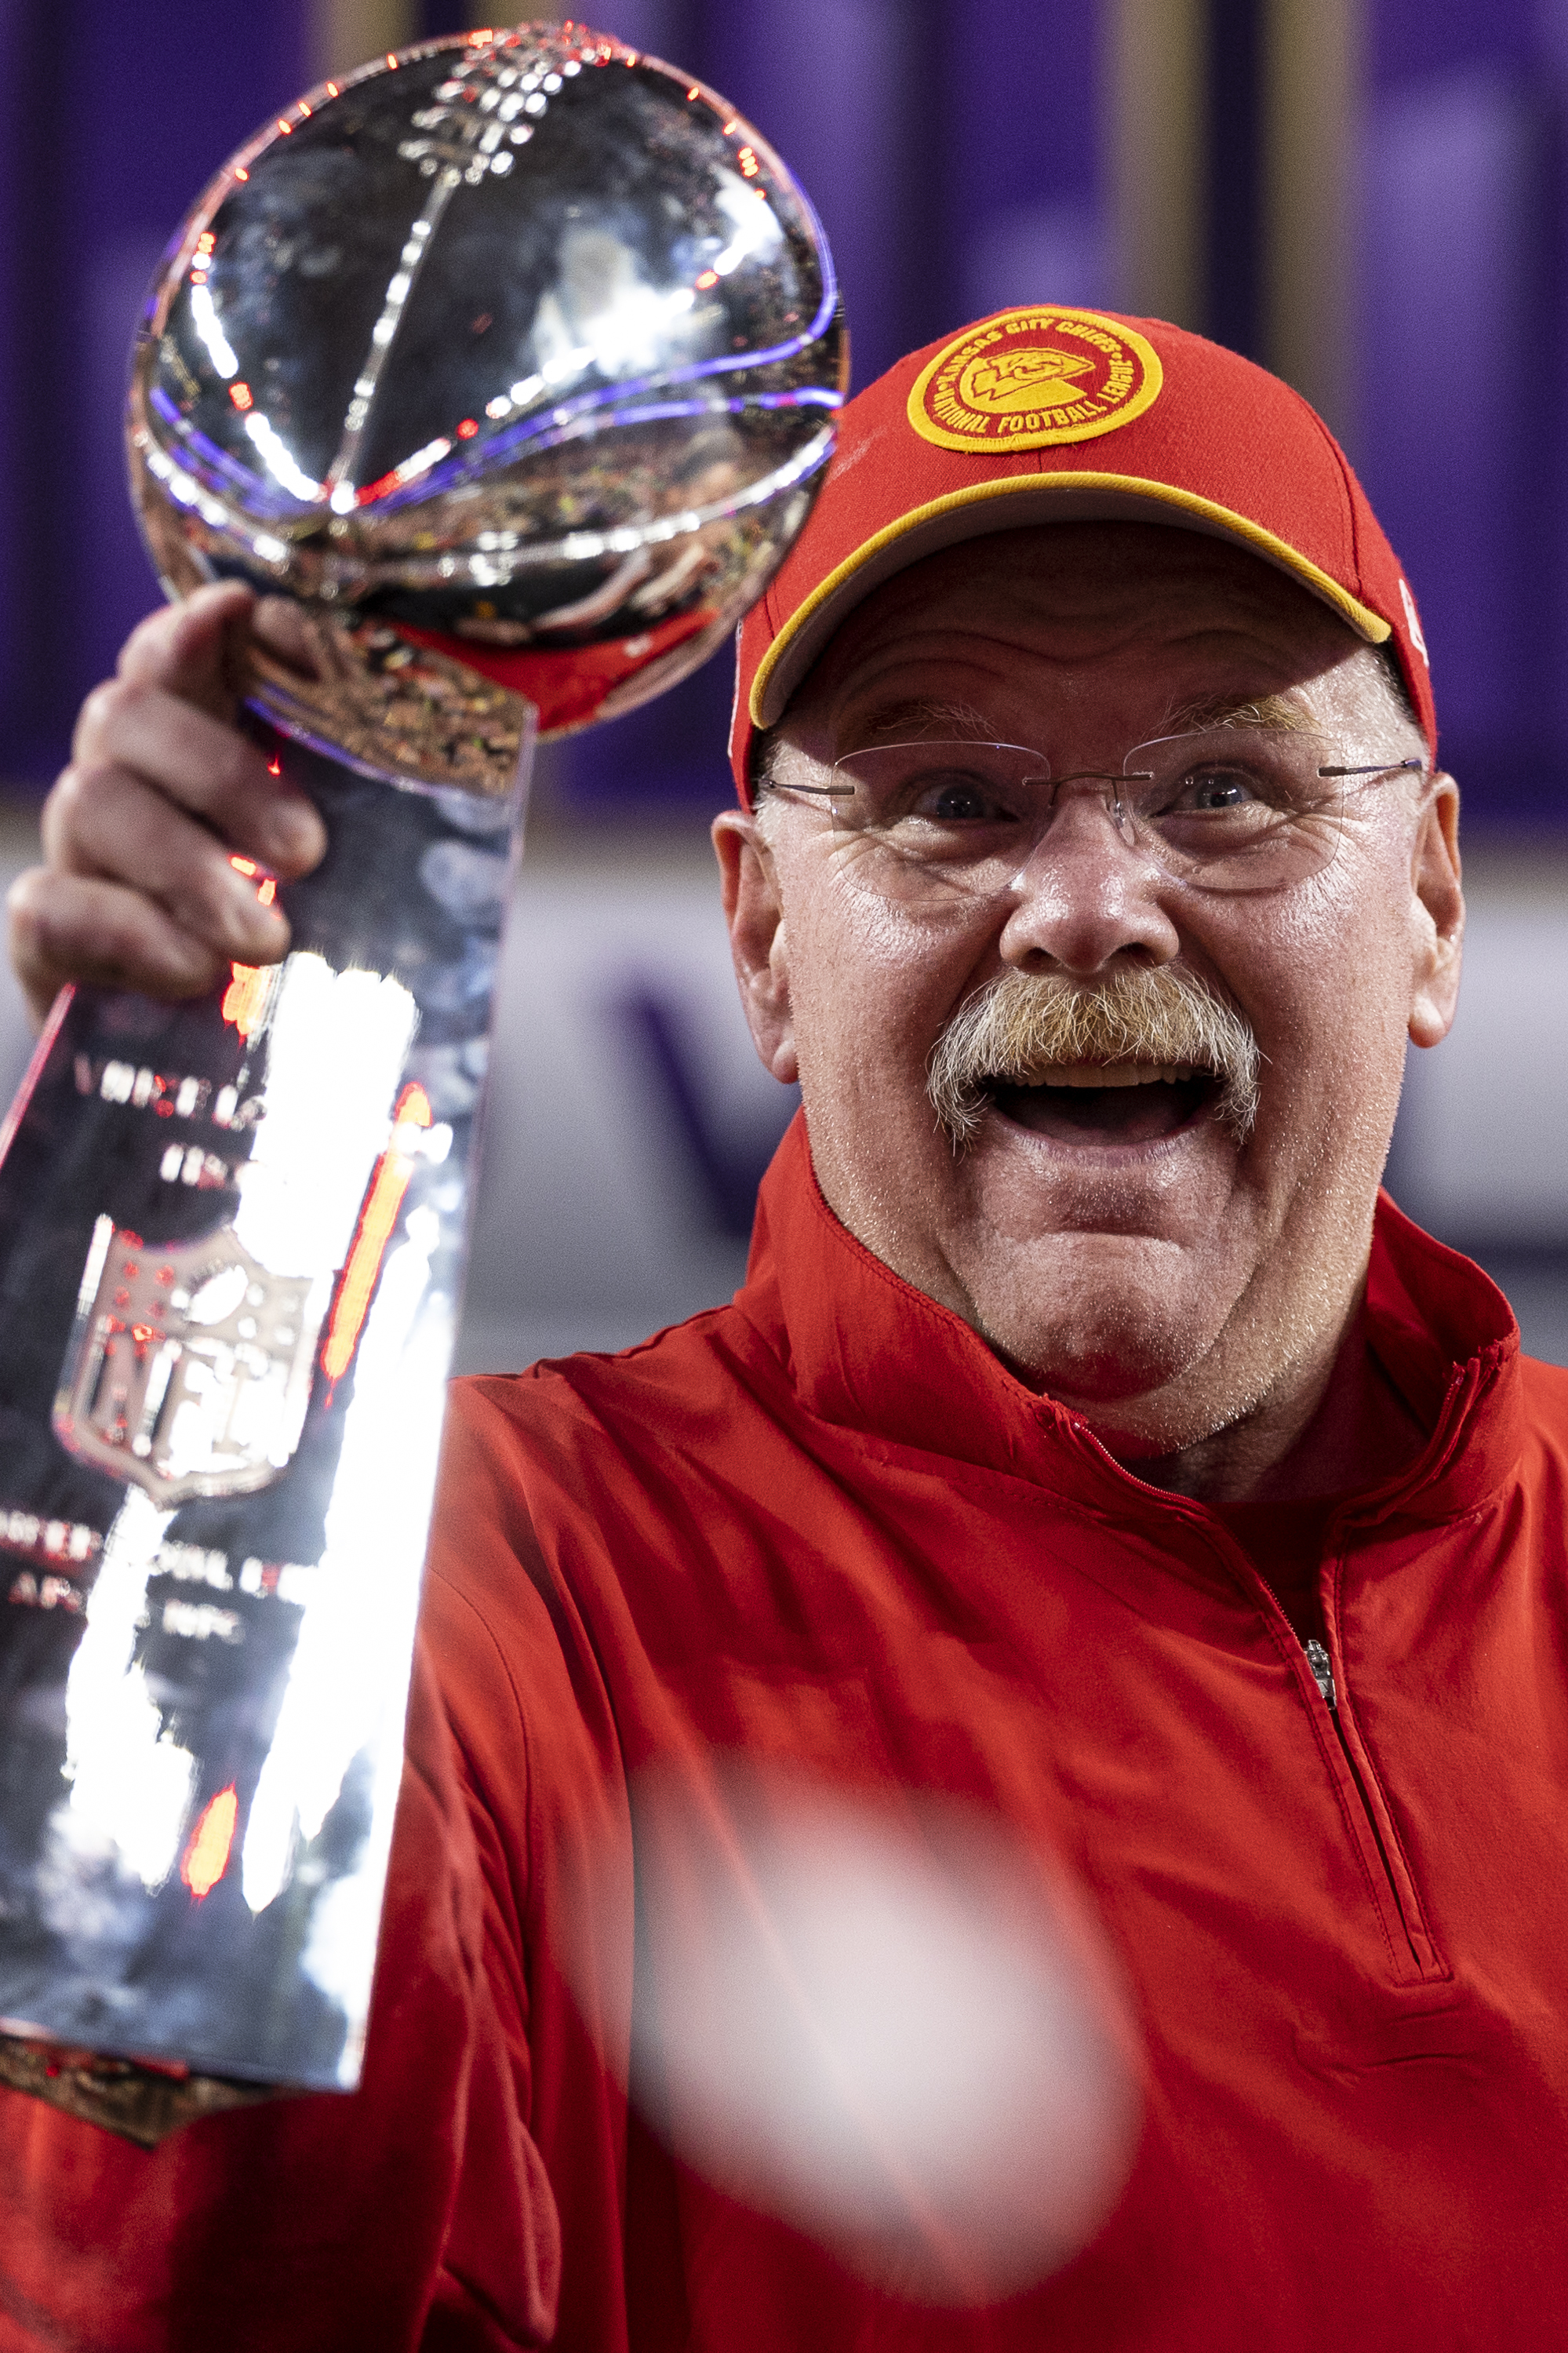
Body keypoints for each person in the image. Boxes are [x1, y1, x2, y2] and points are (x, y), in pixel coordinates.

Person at [2, 306, 1566, 2353]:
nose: (1088, 903)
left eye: (1223, 786)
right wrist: (204, 1253)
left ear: (1432, 898)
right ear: (760, 939)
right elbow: (155, 2285)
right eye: (946, 800)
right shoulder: (461, 1581)